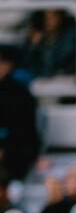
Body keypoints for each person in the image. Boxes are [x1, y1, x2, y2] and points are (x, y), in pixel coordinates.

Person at [0, 45, 39, 180]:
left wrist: (5, 150)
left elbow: (25, 131)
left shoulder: (20, 94)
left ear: (8, 65)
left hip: (15, 152)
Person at [24, 9, 76, 78]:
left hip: (66, 76)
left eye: (50, 18)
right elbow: (27, 64)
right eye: (44, 18)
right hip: (42, 79)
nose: (46, 22)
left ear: (59, 18)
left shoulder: (69, 35)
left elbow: (57, 64)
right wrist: (33, 46)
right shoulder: (37, 36)